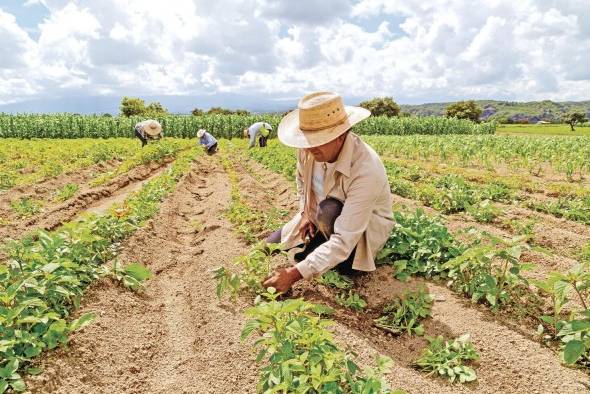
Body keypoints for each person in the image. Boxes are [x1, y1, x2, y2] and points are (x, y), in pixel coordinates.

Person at [262, 91, 394, 293]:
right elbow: (301, 181)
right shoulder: (308, 151)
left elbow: (343, 240)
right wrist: (305, 212)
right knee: (266, 247)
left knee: (328, 211)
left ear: (340, 135)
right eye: (307, 140)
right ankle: (317, 243)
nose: (308, 148)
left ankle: (341, 263)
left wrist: (294, 275)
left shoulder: (366, 169)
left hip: (357, 233)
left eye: (317, 140)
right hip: (319, 218)